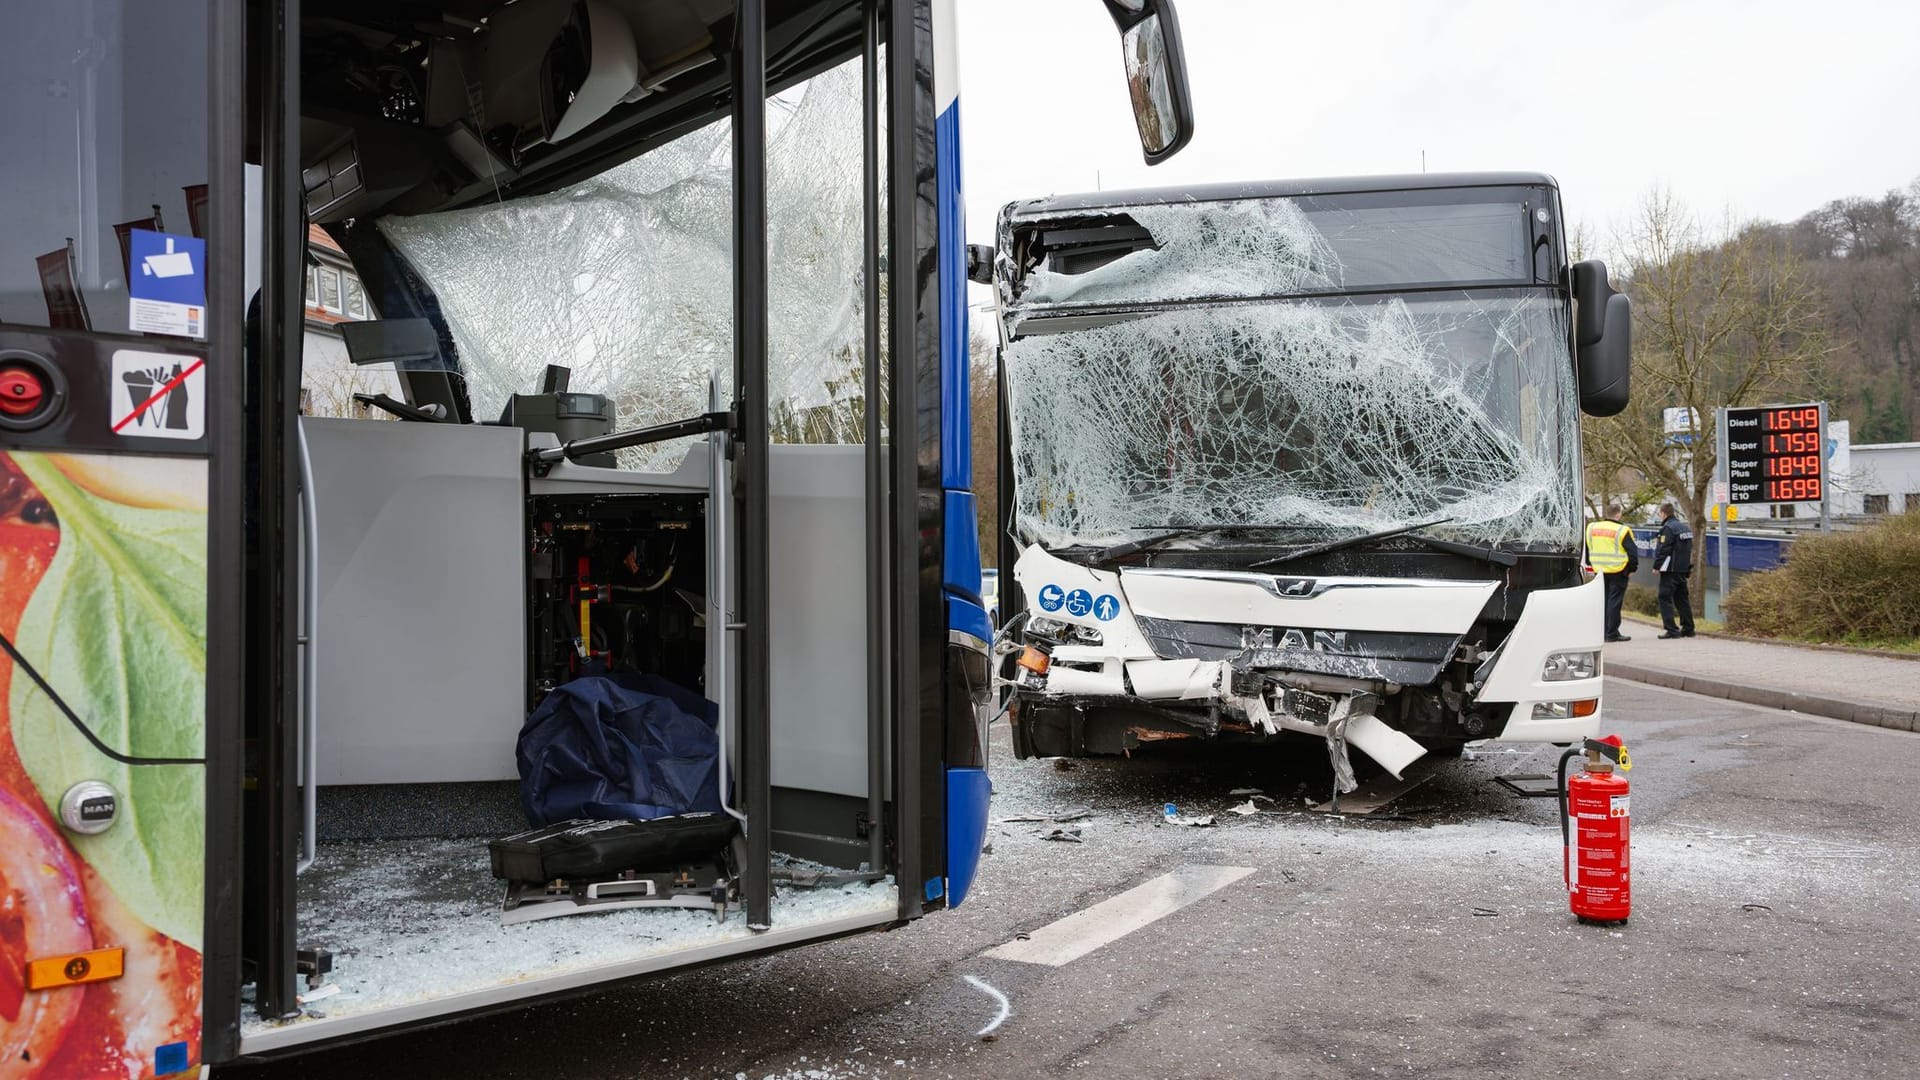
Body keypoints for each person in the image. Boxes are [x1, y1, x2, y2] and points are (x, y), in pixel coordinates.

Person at [1584, 512, 1639, 642]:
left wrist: (1589, 563)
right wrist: (1632, 568)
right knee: (1614, 602)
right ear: (1618, 515)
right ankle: (1612, 633)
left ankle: (1602, 631)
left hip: (1600, 570)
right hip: (1618, 571)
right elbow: (1632, 552)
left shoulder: (1592, 527)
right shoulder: (1622, 530)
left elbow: (1588, 547)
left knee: (1603, 601)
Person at [1653, 503, 1694, 639]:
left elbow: (1664, 549)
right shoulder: (1685, 528)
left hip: (1670, 570)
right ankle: (1688, 628)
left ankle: (1672, 629)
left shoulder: (1668, 528)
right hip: (1682, 570)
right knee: (1682, 599)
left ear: (1664, 513)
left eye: (1660, 513)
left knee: (1664, 598)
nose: (1660, 516)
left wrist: (1657, 566)